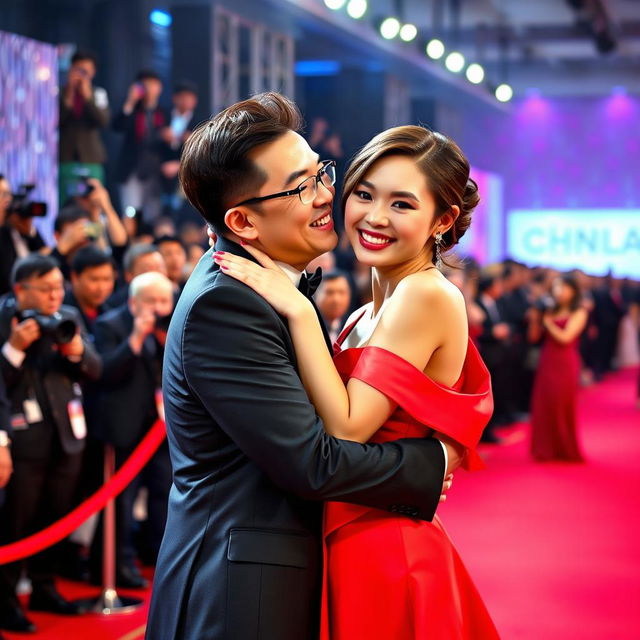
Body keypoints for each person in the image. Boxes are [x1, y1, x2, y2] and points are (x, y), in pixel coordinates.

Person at [147, 93, 457, 640]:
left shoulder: (271, 283)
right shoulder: (229, 303)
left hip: (288, 564)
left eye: (322, 173)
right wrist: (430, 461)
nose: (327, 196)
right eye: (302, 186)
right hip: (241, 591)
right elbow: (312, 462)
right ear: (241, 220)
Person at [216, 123, 498, 639]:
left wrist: (300, 311)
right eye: (364, 194)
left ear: (444, 219)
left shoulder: (424, 295)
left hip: (385, 547)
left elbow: (345, 432)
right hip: (348, 534)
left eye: (402, 204)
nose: (375, 217)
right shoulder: (367, 311)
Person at [0, 255, 101, 634]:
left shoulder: (68, 315)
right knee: (15, 526)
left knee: (55, 521)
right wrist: (13, 348)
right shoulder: (3, 318)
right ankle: (6, 600)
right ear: (20, 289)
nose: (55, 296)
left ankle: (45, 588)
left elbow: (95, 368)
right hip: (22, 444)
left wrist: (74, 349)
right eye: (46, 290)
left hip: (67, 438)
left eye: (59, 287)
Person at [92, 272, 174, 587]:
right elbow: (103, 372)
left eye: (164, 301)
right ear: (133, 302)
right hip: (122, 428)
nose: (158, 308)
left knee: (162, 490)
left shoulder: (173, 324)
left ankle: (156, 554)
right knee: (121, 501)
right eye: (151, 301)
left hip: (160, 428)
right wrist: (135, 340)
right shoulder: (110, 324)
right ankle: (117, 566)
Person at [529, 274, 588, 462]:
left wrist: (548, 324)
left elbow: (566, 337)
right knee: (544, 403)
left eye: (563, 287)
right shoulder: (548, 310)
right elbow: (533, 338)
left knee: (561, 404)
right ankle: (545, 449)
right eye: (556, 288)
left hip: (565, 362)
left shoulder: (579, 311)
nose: (559, 292)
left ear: (573, 290)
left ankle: (564, 448)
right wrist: (536, 319)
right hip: (547, 360)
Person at [113, 70, 167, 222]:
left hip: (155, 171)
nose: (149, 88)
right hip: (132, 170)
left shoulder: (164, 113)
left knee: (153, 214)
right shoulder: (132, 110)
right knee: (131, 212)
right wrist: (130, 101)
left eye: (153, 84)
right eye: (145, 85)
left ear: (160, 88)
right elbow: (117, 126)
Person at [58, 50, 110, 203]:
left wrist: (87, 95)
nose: (81, 75)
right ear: (70, 69)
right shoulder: (59, 93)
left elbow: (103, 120)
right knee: (63, 200)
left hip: (91, 157)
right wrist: (69, 94)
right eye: (78, 70)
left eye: (86, 71)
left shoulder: (98, 94)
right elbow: (56, 120)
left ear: (93, 72)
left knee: (94, 201)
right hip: (65, 156)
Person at [315, 271, 351, 344]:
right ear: (316, 295)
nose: (336, 299)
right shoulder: (309, 325)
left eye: (341, 292)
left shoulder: (353, 325)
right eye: (329, 292)